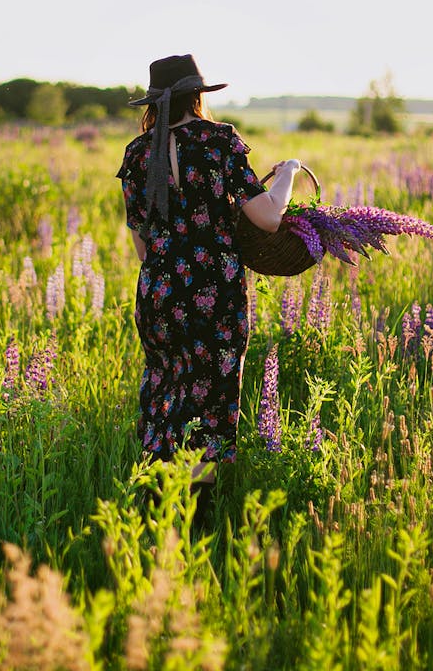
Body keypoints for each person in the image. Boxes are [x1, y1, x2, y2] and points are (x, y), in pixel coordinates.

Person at [116, 54, 303, 506]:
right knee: (210, 401)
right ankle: (193, 514)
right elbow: (269, 219)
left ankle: (157, 504)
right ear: (197, 96)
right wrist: (289, 173)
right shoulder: (219, 141)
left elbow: (143, 246)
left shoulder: (138, 153)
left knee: (165, 389)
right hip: (214, 294)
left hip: (157, 293)